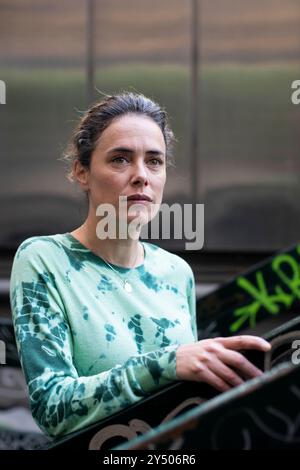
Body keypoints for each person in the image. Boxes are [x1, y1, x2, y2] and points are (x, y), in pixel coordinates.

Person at [9, 92, 271, 439]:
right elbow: (53, 407)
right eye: (120, 159)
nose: (141, 176)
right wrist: (167, 364)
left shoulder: (177, 273)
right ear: (81, 171)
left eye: (154, 161)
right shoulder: (44, 260)